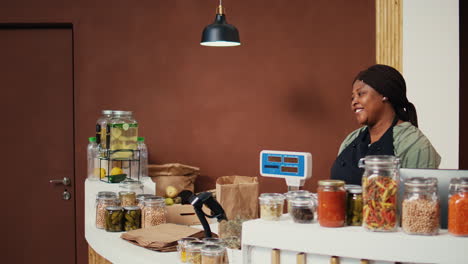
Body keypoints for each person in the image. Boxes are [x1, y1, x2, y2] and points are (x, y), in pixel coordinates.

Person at [330, 64, 441, 185]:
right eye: (352, 97)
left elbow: (421, 199)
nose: (354, 102)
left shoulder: (413, 144)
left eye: (360, 94)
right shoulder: (350, 140)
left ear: (384, 94)